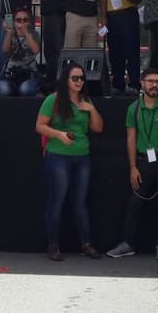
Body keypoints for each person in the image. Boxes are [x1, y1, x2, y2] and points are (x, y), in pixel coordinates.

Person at [106, 67, 158, 260]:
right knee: (134, 203)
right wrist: (133, 168)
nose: (154, 85)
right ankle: (128, 243)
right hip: (142, 161)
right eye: (150, 81)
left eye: (157, 81)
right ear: (142, 83)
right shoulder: (134, 108)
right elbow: (131, 138)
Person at [34, 62, 104, 260]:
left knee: (80, 202)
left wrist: (91, 109)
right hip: (58, 155)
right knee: (57, 201)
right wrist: (59, 135)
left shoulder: (86, 100)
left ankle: (87, 243)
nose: (79, 81)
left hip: (82, 156)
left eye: (82, 78)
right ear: (66, 80)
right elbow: (39, 126)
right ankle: (53, 245)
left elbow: (98, 128)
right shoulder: (53, 100)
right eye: (75, 78)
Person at [104, 0, 143, 93]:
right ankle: (118, 84)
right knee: (115, 52)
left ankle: (134, 83)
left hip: (127, 15)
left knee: (131, 50)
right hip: (112, 17)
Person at [0, 6, 42, 96]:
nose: (21, 22)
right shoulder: (9, 34)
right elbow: (5, 50)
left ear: (29, 22)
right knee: (2, 89)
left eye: (25, 20)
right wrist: (10, 32)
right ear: (14, 22)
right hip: (11, 73)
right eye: (18, 20)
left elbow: (36, 50)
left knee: (26, 90)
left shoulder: (34, 34)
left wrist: (26, 33)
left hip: (29, 72)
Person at [36, 0, 67, 78]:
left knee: (57, 47)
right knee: (48, 49)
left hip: (59, 15)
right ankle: (50, 76)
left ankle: (60, 77)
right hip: (47, 15)